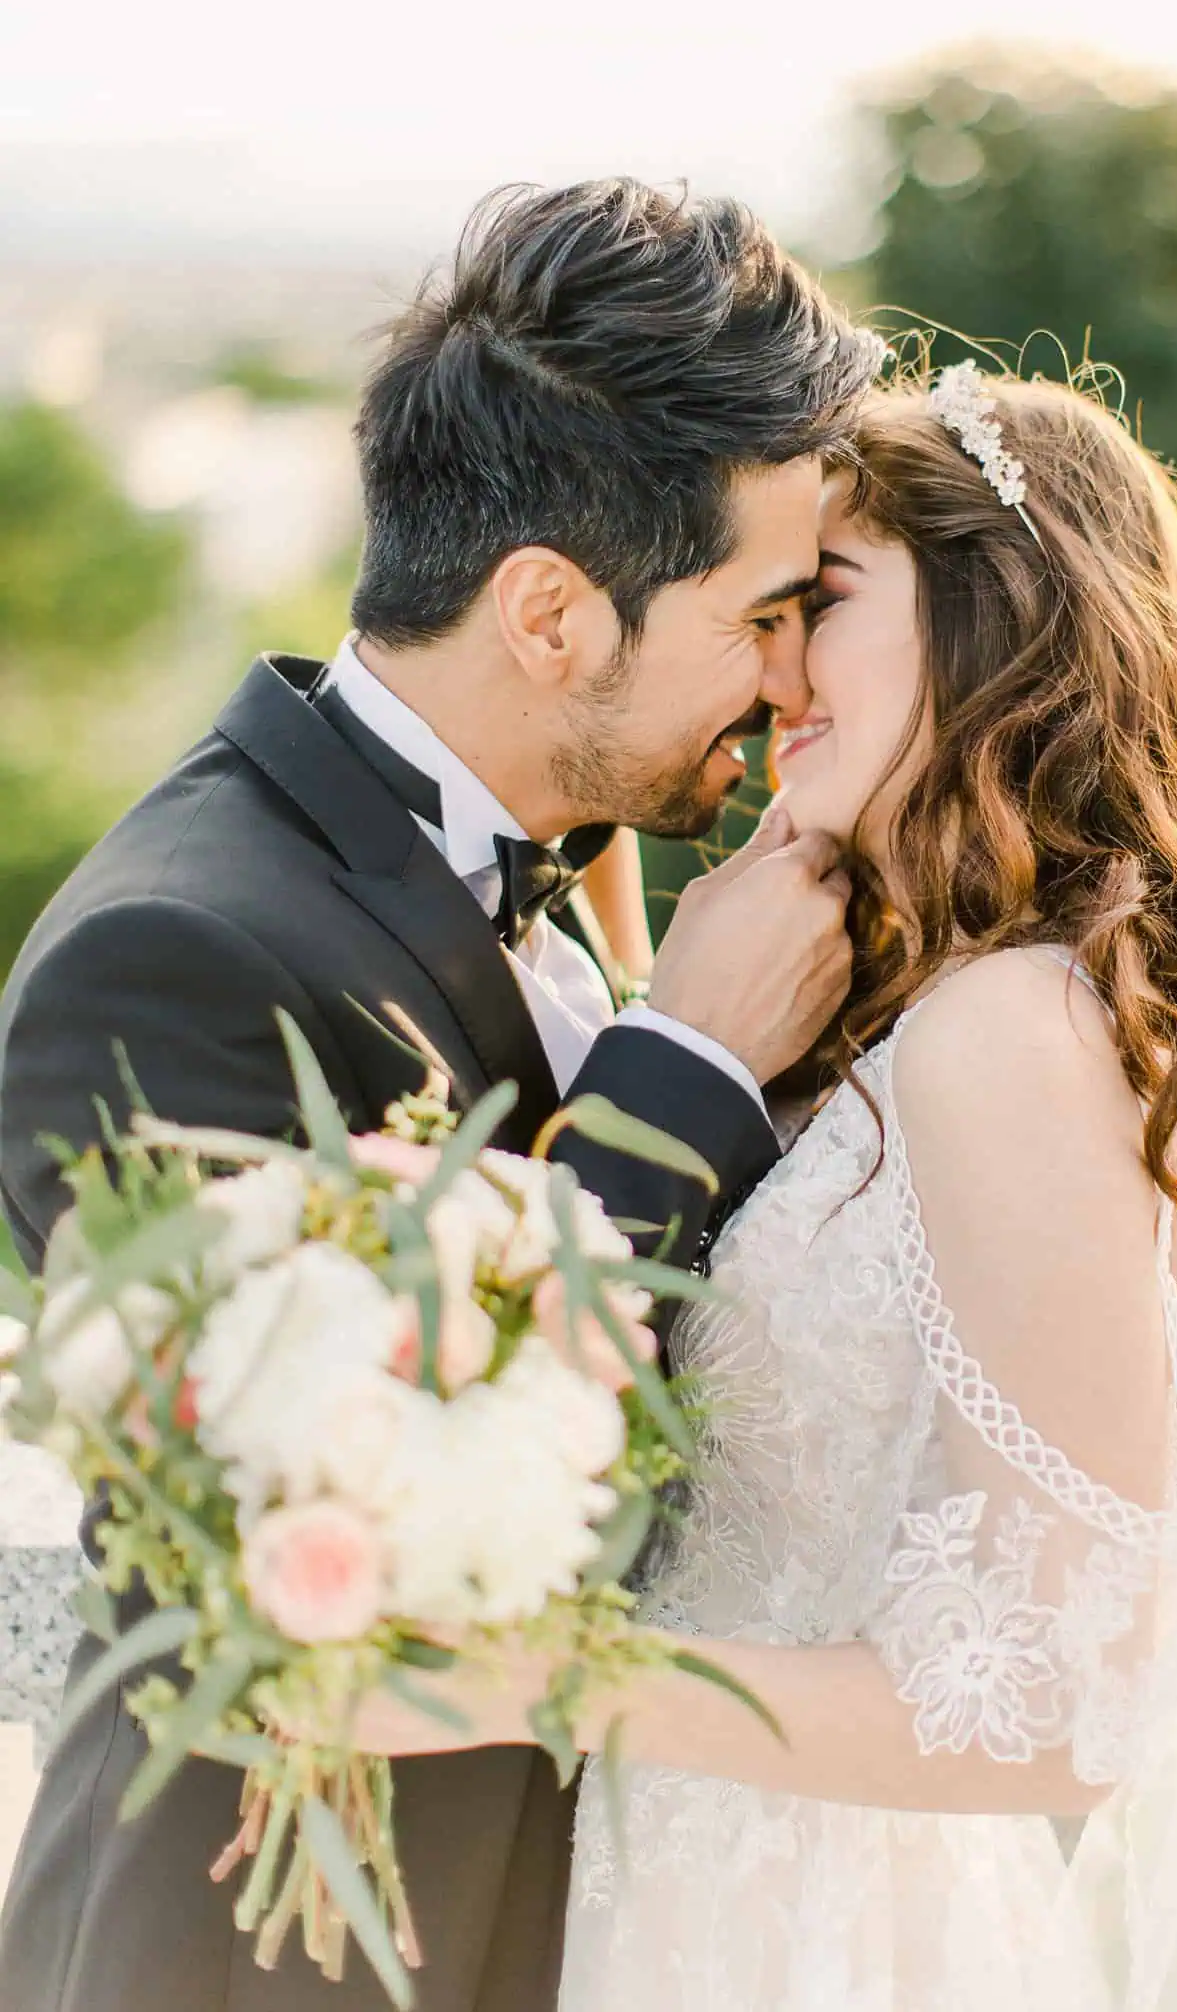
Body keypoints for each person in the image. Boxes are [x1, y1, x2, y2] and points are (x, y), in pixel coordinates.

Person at [336, 363, 1177, 2009]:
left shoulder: (1007, 1032)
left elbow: (1062, 1700)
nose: (773, 674)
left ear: (998, 622)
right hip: (719, 1886)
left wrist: (555, 1676)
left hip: (810, 1935)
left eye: (818, 604)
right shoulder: (956, 1001)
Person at [0, 178, 882, 2012]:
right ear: (551, 613)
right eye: (769, 610)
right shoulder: (171, 966)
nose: (798, 677)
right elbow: (364, 1556)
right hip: (281, 1954)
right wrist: (681, 1077)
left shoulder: (565, 853)